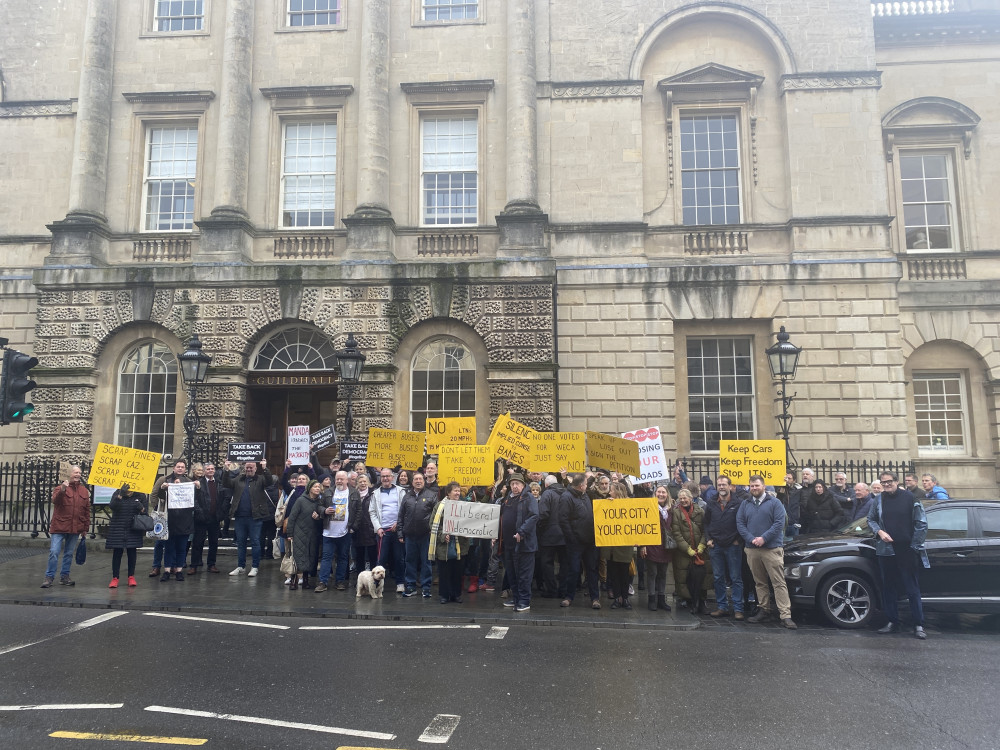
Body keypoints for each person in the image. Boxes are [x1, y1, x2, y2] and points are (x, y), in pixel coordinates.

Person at [868, 472, 929, 639]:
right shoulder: (879, 500)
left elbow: (921, 523)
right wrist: (879, 532)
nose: (886, 485)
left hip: (906, 549)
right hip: (886, 550)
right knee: (888, 588)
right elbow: (870, 519)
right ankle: (892, 621)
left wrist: (914, 546)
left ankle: (918, 624)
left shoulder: (910, 498)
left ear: (896, 481)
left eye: (889, 482)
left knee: (912, 588)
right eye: (883, 482)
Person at [737, 475, 797, 629]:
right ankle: (764, 609)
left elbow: (779, 523)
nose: (754, 488)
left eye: (757, 485)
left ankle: (785, 615)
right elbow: (740, 523)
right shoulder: (745, 504)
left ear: (763, 486)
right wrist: (751, 539)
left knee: (778, 582)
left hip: (771, 549)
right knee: (759, 582)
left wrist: (764, 538)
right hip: (752, 549)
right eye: (752, 486)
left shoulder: (775, 503)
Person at [222, 459, 276, 577]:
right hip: (240, 517)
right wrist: (226, 469)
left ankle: (255, 566)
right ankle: (241, 566)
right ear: (244, 468)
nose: (249, 469)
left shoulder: (260, 479)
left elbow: (270, 482)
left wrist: (265, 468)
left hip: (255, 517)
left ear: (255, 469)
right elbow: (226, 483)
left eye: (251, 467)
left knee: (255, 542)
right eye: (247, 467)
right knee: (241, 543)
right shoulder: (238, 479)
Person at [42, 465, 91, 588]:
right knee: (54, 552)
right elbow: (55, 501)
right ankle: (49, 577)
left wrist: (85, 528)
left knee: (69, 553)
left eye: (79, 472)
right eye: (75, 472)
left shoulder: (84, 491)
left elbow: (86, 510)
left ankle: (64, 576)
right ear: (69, 473)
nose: (78, 474)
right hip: (59, 526)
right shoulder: (59, 488)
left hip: (75, 527)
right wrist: (63, 489)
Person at [704, 476, 744, 620]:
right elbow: (706, 523)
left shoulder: (738, 503)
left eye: (724, 484)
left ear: (730, 486)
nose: (721, 487)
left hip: (733, 546)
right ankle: (722, 607)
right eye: (719, 485)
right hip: (716, 546)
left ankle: (738, 609)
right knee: (718, 577)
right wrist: (708, 539)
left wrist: (738, 540)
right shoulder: (711, 503)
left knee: (735, 578)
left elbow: (742, 523)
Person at [315, 471, 361, 593]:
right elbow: (319, 506)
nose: (339, 481)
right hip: (328, 531)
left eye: (342, 479)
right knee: (326, 558)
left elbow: (358, 512)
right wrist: (324, 511)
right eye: (337, 479)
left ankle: (340, 581)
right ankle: (322, 582)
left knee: (343, 557)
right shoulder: (328, 492)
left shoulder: (354, 493)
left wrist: (354, 527)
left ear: (347, 480)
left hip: (345, 531)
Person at [500, 473, 538, 613]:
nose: (515, 486)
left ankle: (524, 600)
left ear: (523, 485)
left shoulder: (529, 498)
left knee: (524, 574)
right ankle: (516, 598)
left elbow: (534, 516)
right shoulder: (508, 499)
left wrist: (521, 532)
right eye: (512, 484)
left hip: (524, 544)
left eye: (517, 484)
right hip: (509, 544)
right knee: (512, 573)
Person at [155, 459, 199, 582]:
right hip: (170, 519)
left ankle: (179, 571)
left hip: (184, 520)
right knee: (168, 548)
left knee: (181, 548)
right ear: (174, 468)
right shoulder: (166, 480)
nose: (180, 468)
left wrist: (198, 488)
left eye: (182, 467)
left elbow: (195, 500)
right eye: (178, 466)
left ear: (185, 469)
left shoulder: (189, 482)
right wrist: (163, 489)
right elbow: (160, 498)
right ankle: (167, 570)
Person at [561, 473, 601, 609]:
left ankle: (595, 598)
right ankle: (569, 596)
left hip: (590, 541)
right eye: (585, 484)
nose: (587, 486)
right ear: (580, 486)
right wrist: (572, 538)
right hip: (576, 542)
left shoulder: (585, 494)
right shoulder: (567, 497)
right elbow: (563, 520)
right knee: (573, 570)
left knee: (592, 570)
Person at [399, 471, 438, 598]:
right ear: (412, 482)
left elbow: (436, 516)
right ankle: (410, 586)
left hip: (425, 535)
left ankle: (426, 587)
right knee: (410, 561)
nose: (418, 481)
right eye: (416, 479)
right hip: (410, 535)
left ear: (424, 481)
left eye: (420, 479)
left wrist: (433, 531)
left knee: (426, 562)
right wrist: (400, 533)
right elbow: (401, 516)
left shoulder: (432, 495)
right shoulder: (407, 496)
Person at [370, 467, 407, 594]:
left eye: (388, 476)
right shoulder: (376, 493)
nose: (385, 478)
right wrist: (378, 528)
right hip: (383, 531)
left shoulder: (400, 491)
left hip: (397, 530)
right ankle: (375, 584)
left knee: (399, 558)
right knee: (380, 560)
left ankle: (400, 583)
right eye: (383, 476)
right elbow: (372, 512)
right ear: (380, 478)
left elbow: (404, 510)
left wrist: (399, 522)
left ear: (392, 477)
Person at [671, 488, 707, 613]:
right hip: (683, 552)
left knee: (701, 578)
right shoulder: (675, 512)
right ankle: (690, 601)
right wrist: (687, 549)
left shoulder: (700, 511)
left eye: (685, 498)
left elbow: (705, 530)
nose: (683, 500)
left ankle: (701, 601)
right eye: (680, 498)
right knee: (684, 577)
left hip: (699, 551)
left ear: (691, 498)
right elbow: (676, 533)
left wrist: (702, 545)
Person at [189, 461, 230, 574]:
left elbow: (225, 498)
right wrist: (199, 513)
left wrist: (221, 513)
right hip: (201, 518)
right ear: (204, 471)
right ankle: (194, 565)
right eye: (208, 469)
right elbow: (194, 500)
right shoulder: (199, 483)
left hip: (215, 518)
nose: (210, 471)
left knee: (214, 542)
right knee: (197, 543)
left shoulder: (219, 483)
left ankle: (211, 564)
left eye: (212, 469)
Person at [432, 482, 469, 603]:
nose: (458, 493)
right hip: (444, 546)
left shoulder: (465, 506)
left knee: (458, 571)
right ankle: (444, 595)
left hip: (460, 544)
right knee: (444, 571)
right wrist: (443, 535)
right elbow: (432, 524)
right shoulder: (439, 506)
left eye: (459, 491)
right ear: (448, 492)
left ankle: (456, 594)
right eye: (455, 491)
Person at [639, 485, 674, 612]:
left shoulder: (671, 509)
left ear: (667, 494)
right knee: (652, 573)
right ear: (655, 493)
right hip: (652, 545)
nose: (661, 494)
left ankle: (661, 599)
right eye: (658, 492)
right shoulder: (649, 507)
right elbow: (642, 526)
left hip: (666, 547)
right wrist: (643, 545)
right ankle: (652, 599)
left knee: (663, 574)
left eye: (663, 492)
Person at [105, 484, 147, 588]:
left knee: (132, 552)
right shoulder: (118, 493)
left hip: (133, 528)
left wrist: (141, 507)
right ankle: (115, 578)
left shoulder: (140, 495)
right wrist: (120, 495)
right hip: (118, 527)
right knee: (117, 552)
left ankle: (131, 576)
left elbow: (145, 513)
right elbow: (112, 506)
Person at [286, 479, 324, 590]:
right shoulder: (301, 500)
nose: (317, 488)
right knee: (298, 557)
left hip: (313, 534)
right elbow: (292, 517)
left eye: (319, 487)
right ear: (309, 488)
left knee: (310, 556)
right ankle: (294, 580)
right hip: (299, 533)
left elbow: (323, 518)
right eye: (315, 486)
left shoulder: (319, 502)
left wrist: (319, 517)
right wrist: (290, 533)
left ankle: (306, 581)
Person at [537, 474, 570, 600]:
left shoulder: (547, 494)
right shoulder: (567, 493)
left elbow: (543, 514)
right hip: (565, 534)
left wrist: (540, 528)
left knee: (547, 563)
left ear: (546, 484)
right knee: (564, 563)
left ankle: (551, 590)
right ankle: (563, 590)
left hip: (549, 535)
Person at [352, 473, 378, 583]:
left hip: (370, 529)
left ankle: (373, 579)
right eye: (360, 481)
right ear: (357, 483)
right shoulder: (353, 494)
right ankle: (360, 580)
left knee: (372, 557)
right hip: (357, 530)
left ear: (368, 482)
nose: (363, 483)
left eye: (365, 481)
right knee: (359, 557)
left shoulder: (374, 494)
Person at [775, 471, 802, 540]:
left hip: (793, 524)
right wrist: (783, 487)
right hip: (783, 524)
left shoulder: (798, 491)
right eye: (786, 478)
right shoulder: (781, 490)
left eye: (789, 478)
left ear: (794, 480)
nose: (787, 480)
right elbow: (778, 501)